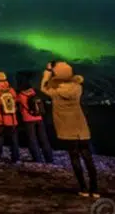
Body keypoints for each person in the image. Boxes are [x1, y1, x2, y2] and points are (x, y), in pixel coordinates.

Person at [41, 61, 99, 197]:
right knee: (87, 157)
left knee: (74, 157)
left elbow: (44, 87)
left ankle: (83, 188)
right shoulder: (78, 88)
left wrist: (47, 72)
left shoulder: (55, 91)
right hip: (80, 126)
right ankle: (94, 189)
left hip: (66, 127)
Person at [16, 73, 54, 163]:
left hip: (28, 119)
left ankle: (37, 159)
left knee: (32, 140)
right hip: (39, 117)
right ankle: (49, 158)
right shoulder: (35, 92)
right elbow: (46, 99)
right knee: (44, 139)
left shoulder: (20, 95)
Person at [0, 71, 20, 163]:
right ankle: (15, 157)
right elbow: (16, 100)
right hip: (12, 120)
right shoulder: (11, 90)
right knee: (13, 139)